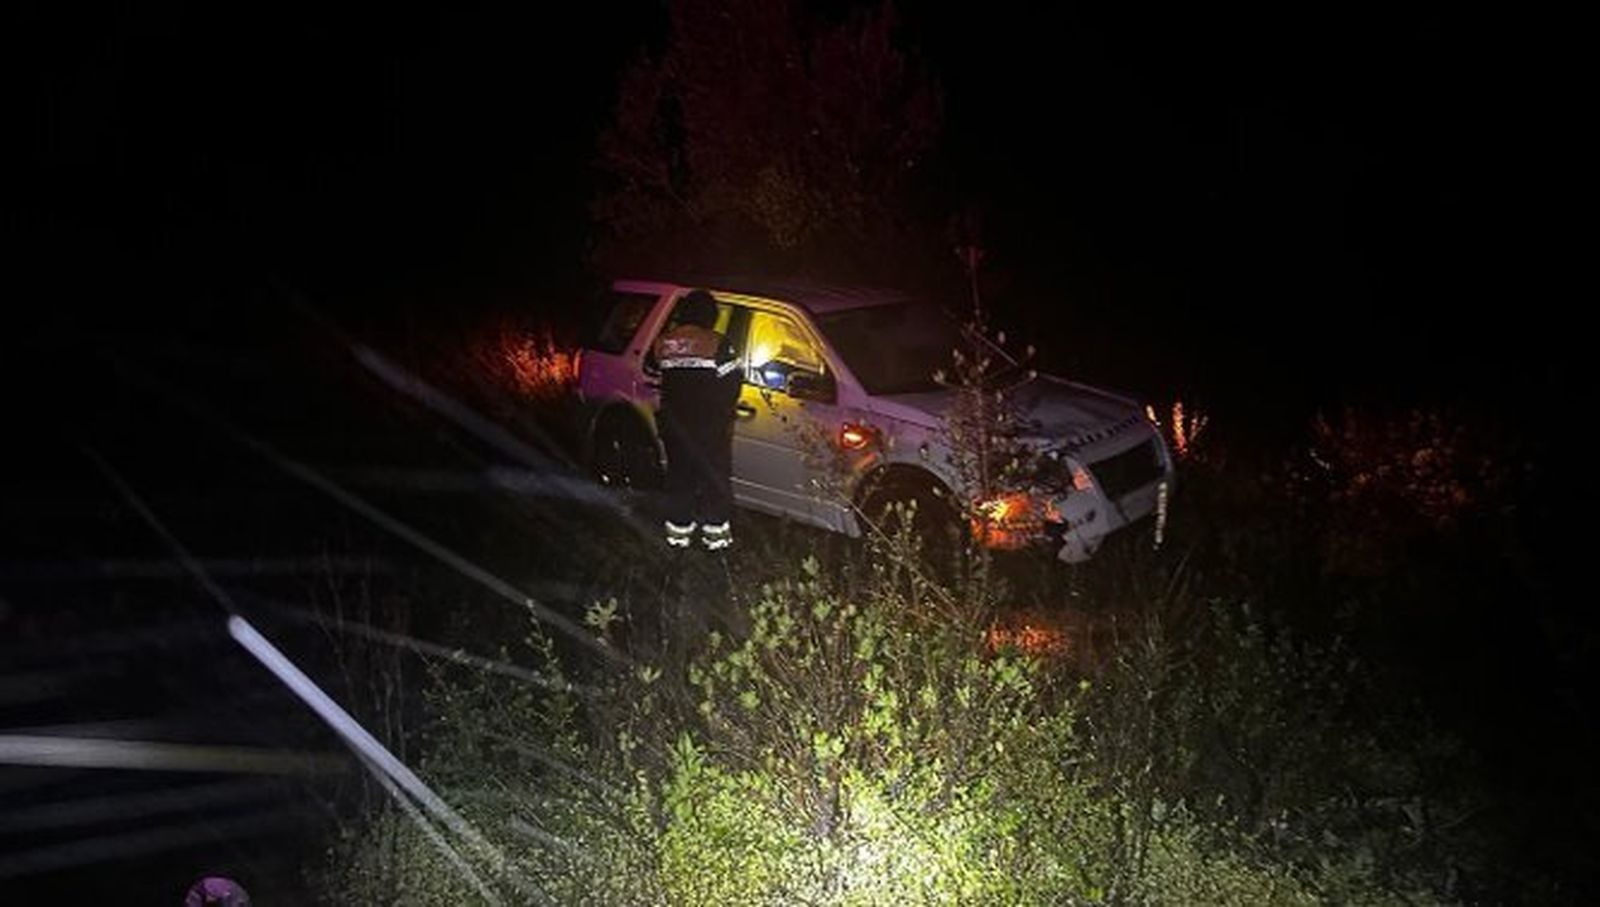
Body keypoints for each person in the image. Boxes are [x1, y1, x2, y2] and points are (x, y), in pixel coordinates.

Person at [652, 289, 741, 551]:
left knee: (679, 479)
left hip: (674, 427)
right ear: (709, 315)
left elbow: (652, 371)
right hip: (709, 429)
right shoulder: (718, 343)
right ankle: (716, 542)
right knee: (714, 480)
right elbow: (732, 384)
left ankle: (678, 539)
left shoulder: (663, 342)